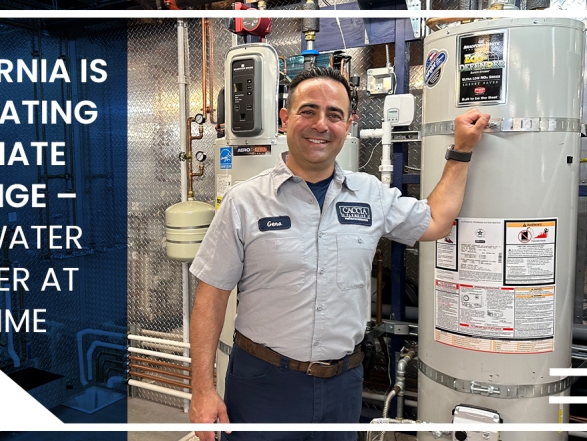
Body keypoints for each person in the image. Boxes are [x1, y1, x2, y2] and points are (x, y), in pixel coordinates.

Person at [188, 67, 490, 441]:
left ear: (349, 123)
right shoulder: (244, 201)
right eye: (308, 111)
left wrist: (460, 151)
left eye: (334, 114)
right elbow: (210, 298)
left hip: (343, 384)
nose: (321, 124)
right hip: (263, 383)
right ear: (285, 120)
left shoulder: (371, 195)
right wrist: (202, 388)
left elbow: (436, 222)